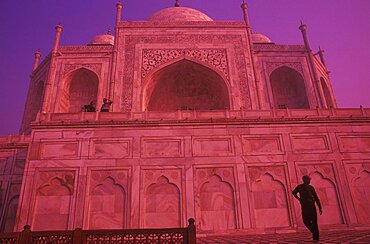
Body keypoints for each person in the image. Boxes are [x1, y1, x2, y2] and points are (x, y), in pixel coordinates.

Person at [292, 175, 323, 242]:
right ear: (304, 180)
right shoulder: (300, 187)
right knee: (306, 221)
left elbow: (316, 197)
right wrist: (299, 199)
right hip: (305, 206)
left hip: (311, 205)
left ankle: (316, 237)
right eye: (307, 179)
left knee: (314, 222)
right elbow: (293, 192)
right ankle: (315, 232)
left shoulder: (311, 187)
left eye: (309, 180)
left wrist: (320, 207)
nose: (309, 181)